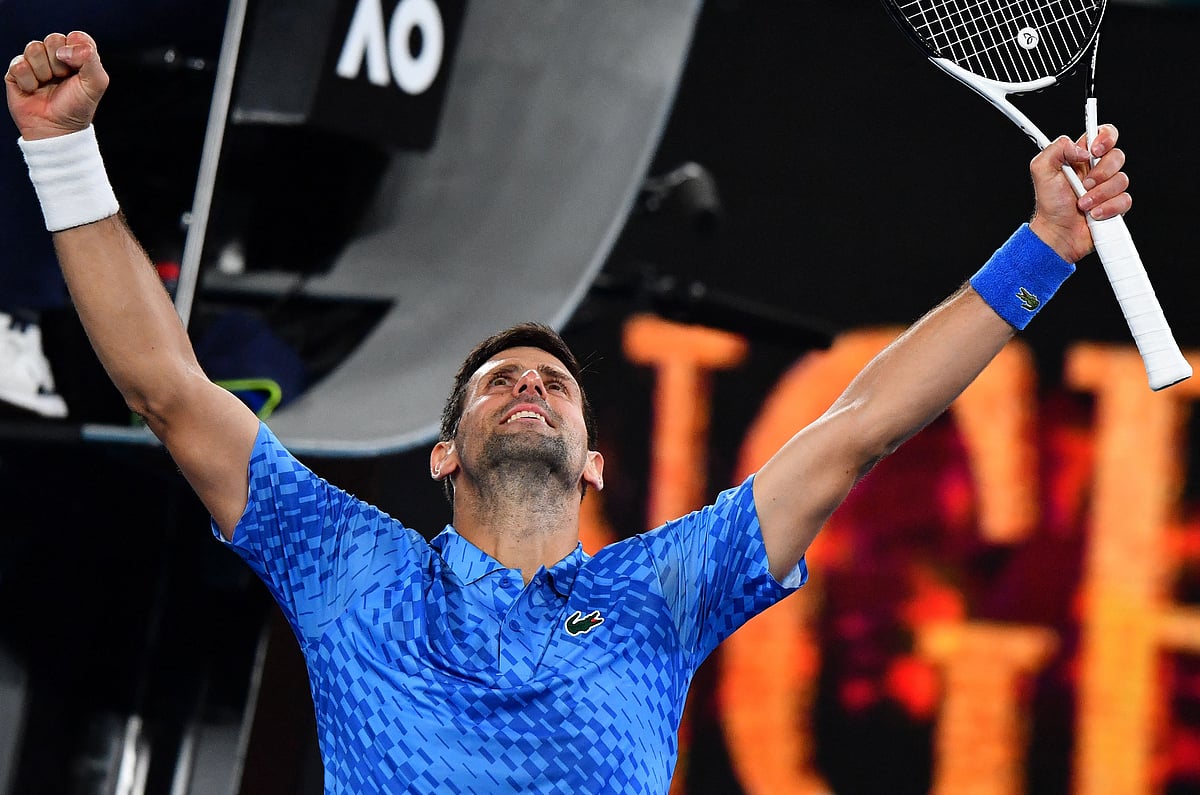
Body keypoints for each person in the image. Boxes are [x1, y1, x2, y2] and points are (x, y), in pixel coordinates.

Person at [5, 31, 1133, 794]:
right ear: (446, 453)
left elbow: (858, 425)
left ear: (595, 464)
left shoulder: (662, 594)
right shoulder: (348, 565)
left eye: (555, 382)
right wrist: (61, 151)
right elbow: (166, 387)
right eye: (499, 381)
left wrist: (1043, 251)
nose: (531, 385)